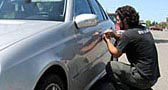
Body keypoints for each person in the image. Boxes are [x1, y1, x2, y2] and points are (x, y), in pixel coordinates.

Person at [103, 5, 160, 90]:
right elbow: (130, 39)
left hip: (143, 78)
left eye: (118, 20)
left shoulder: (128, 35)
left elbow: (115, 53)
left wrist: (107, 40)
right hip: (153, 77)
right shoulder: (143, 29)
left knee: (111, 66)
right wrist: (114, 35)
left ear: (125, 20)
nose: (117, 23)